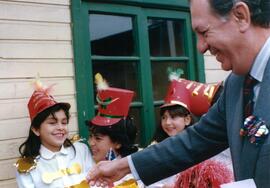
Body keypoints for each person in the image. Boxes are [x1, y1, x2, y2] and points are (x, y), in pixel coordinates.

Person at [86, 0, 270, 187]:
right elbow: (197, 139)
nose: (200, 47)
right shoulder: (236, 84)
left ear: (241, 16)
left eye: (204, 32)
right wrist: (122, 167)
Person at [149, 73, 232, 188]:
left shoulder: (204, 144)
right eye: (164, 117)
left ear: (187, 119)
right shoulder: (157, 147)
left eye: (173, 117)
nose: (167, 123)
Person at [15, 78, 94, 187]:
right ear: (36, 129)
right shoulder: (26, 166)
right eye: (52, 123)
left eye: (64, 122)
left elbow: (96, 183)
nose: (61, 127)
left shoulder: (81, 150)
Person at [87, 73, 142, 187]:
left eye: (98, 138)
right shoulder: (85, 163)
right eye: (90, 136)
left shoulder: (135, 172)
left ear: (118, 142)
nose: (91, 143)